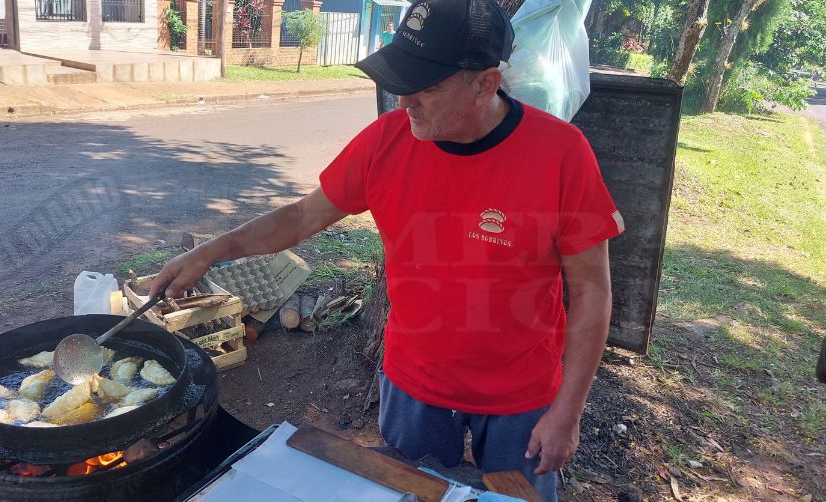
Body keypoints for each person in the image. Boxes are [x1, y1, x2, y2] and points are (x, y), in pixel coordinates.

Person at [149, 0, 623, 499]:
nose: (404, 102)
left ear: (485, 84)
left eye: (427, 88)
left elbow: (592, 291)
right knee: (405, 493)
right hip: (414, 383)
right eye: (400, 82)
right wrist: (210, 251)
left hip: (522, 394)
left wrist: (568, 411)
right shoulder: (386, 140)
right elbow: (301, 217)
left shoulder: (561, 152)